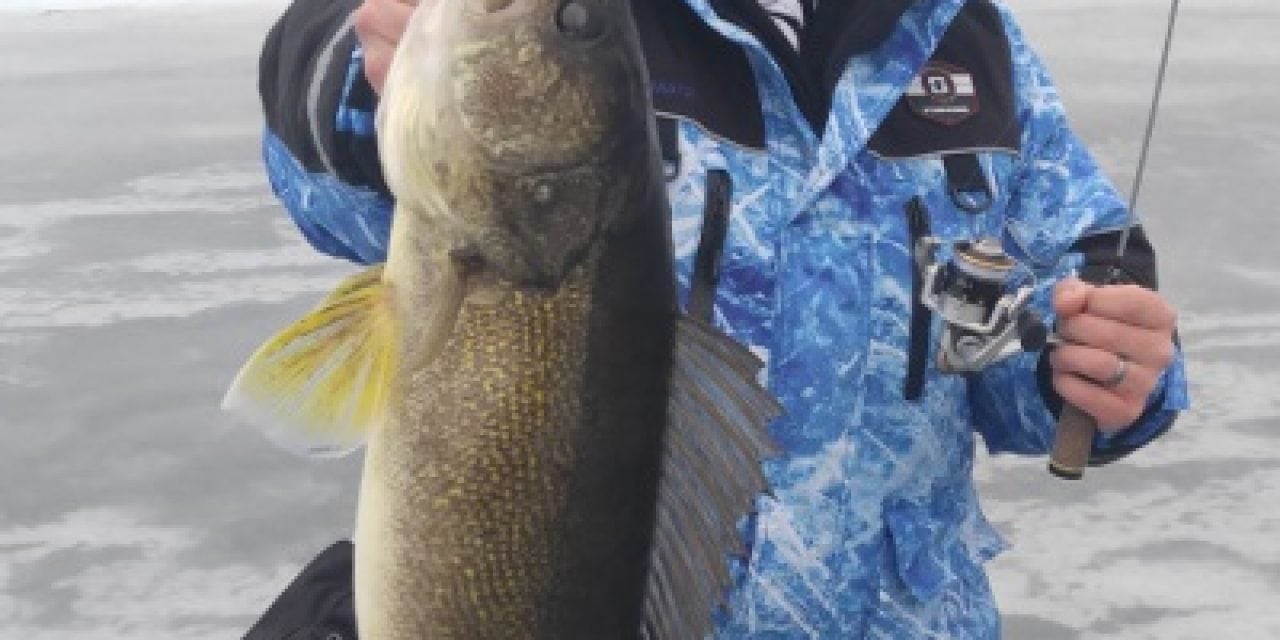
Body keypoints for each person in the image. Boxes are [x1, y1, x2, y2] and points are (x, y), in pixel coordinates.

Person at [246, 0, 1190, 638]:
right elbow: (325, 171)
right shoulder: (610, 26)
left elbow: (1071, 272)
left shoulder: (964, 35)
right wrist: (362, 82)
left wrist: (1105, 369)